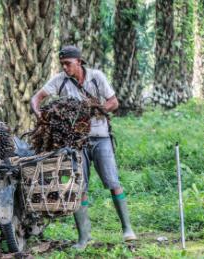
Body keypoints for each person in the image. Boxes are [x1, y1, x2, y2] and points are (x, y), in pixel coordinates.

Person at [30, 45, 137, 249]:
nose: (65, 67)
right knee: (79, 188)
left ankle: (127, 229)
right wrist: (39, 115)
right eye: (62, 64)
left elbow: (114, 102)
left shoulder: (96, 77)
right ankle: (84, 238)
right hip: (77, 143)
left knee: (113, 182)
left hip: (101, 138)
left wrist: (97, 110)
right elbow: (37, 97)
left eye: (68, 63)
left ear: (79, 62)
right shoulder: (60, 81)